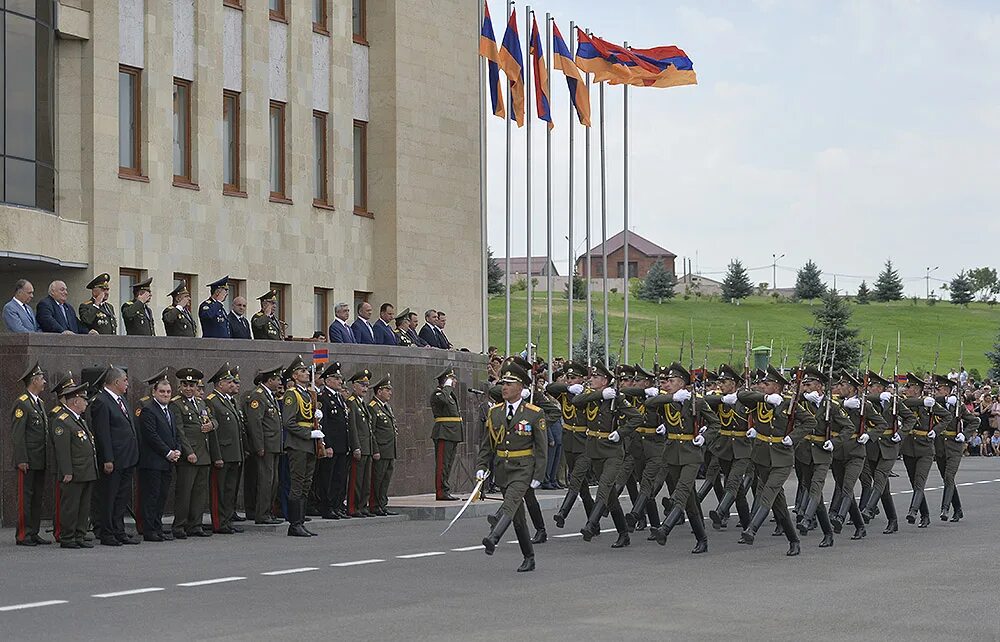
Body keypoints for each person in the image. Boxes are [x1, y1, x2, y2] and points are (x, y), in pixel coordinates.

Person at [736, 366, 816, 556]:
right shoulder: (760, 401)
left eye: (767, 384)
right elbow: (742, 396)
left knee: (768, 491)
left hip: (782, 457)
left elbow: (810, 422)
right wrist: (764, 398)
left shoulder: (790, 403)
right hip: (762, 455)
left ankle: (752, 529)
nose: (762, 386)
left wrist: (794, 437)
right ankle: (794, 541)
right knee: (778, 504)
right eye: (762, 383)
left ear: (778, 386)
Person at [475, 361, 547, 572]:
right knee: (518, 518)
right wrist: (481, 465)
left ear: (521, 387)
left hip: (523, 467)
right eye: (503, 383)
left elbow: (542, 448)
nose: (504, 387)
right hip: (502, 468)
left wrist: (539, 474)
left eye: (509, 383)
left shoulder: (534, 413)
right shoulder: (495, 412)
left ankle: (493, 537)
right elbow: (487, 443)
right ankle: (529, 557)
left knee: (512, 500)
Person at [646, 363, 719, 553]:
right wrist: (670, 397)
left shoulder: (696, 401)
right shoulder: (667, 399)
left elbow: (715, 424)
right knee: (689, 500)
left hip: (691, 453)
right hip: (672, 453)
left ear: (682, 383)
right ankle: (702, 539)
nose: (666, 384)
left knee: (682, 490)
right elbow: (649, 404)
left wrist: (704, 437)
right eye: (667, 381)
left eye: (671, 381)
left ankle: (665, 528)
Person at [859, 372, 916, 534]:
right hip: (872, 447)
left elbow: (910, 418)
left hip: (889, 446)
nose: (871, 389)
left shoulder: (894, 402)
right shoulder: (867, 402)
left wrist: (902, 432)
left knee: (880, 477)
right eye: (870, 386)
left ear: (882, 388)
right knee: (884, 488)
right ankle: (893, 520)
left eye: (875, 386)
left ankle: (869, 509)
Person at [701, 364, 755, 533]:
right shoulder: (720, 399)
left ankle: (720, 510)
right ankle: (748, 528)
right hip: (724, 448)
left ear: (734, 383)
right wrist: (723, 399)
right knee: (738, 492)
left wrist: (740, 396)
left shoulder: (745, 399)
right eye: (720, 381)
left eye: (724, 382)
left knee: (733, 481)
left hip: (742, 449)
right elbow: (703, 401)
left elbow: (760, 399)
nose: (720, 385)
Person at [90, 366, 140, 546]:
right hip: (114, 459)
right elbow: (103, 433)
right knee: (109, 497)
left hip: (128, 457)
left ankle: (119, 530)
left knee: (121, 497)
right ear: (116, 381)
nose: (127, 383)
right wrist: (108, 458)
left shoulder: (122, 400)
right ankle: (107, 532)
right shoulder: (102, 401)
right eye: (125, 380)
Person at [549, 361, 598, 529]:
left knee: (575, 478)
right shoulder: (565, 393)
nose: (569, 380)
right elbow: (549, 388)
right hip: (569, 442)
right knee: (583, 487)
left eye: (573, 378)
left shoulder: (590, 394)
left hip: (585, 443)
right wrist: (567, 389)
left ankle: (563, 512)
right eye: (567, 377)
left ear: (582, 379)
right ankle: (594, 522)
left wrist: (582, 392)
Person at [170, 368, 217, 538]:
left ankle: (195, 525)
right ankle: (179, 526)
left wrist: (211, 425)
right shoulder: (176, 404)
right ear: (180, 386)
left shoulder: (201, 403)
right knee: (184, 493)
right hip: (189, 455)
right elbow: (179, 431)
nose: (188, 388)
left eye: (192, 385)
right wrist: (188, 452)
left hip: (204, 453)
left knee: (199, 493)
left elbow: (213, 420)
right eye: (185, 385)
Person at [51, 381, 97, 549]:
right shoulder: (63, 420)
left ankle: (79, 535)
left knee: (83, 507)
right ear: (75, 401)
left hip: (86, 471)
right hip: (74, 473)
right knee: (71, 507)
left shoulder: (78, 420)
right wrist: (67, 472)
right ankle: (68, 537)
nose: (86, 402)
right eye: (84, 399)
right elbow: (62, 450)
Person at [900, 373, 950, 528]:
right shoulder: (908, 401)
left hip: (925, 448)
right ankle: (926, 515)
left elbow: (947, 417)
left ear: (916, 389)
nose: (906, 389)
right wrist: (923, 401)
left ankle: (913, 511)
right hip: (909, 447)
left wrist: (936, 430)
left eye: (909, 387)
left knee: (919, 482)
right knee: (913, 483)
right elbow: (905, 402)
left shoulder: (930, 404)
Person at [136, 370, 181, 542]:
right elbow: (151, 436)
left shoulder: (169, 410)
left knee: (162, 497)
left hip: (167, 462)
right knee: (151, 497)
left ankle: (158, 527)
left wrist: (177, 450)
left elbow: (174, 434)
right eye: (162, 392)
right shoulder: (148, 410)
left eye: (168, 392)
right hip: (153, 462)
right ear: (154, 392)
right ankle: (149, 530)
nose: (165, 394)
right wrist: (168, 452)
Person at [281, 356, 323, 537]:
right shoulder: (292, 394)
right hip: (298, 444)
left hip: (309, 445)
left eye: (307, 371)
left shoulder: (307, 393)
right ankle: (294, 524)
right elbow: (288, 422)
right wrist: (308, 433)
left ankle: (301, 521)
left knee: (306, 485)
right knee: (297, 485)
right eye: (303, 371)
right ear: (295, 376)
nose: (307, 373)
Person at [11, 362, 50, 546]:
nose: (44, 382)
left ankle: (33, 531)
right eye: (42, 379)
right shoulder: (22, 403)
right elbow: (18, 435)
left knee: (37, 497)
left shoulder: (39, 403)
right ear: (34, 381)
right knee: (25, 498)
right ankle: (23, 534)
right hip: (27, 460)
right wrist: (21, 459)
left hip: (40, 459)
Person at [205, 363, 245, 534]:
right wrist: (217, 455)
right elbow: (213, 432)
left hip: (234, 452)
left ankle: (227, 520)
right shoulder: (212, 401)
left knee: (230, 490)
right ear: (219, 384)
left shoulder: (231, 401)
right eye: (228, 381)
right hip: (222, 453)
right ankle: (219, 522)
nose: (232, 384)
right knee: (219, 491)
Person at [932, 374, 979, 522]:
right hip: (940, 446)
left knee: (949, 477)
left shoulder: (958, 407)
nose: (936, 391)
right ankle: (958, 509)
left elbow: (974, 421)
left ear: (947, 390)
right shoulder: (934, 404)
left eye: (939, 389)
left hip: (954, 446)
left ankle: (945, 508)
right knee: (947, 479)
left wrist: (964, 435)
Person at [244, 365, 284, 525]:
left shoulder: (269, 396)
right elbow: (255, 423)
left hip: (274, 445)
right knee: (266, 480)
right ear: (270, 380)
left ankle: (268, 511)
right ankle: (262, 513)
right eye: (278, 379)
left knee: (273, 480)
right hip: (266, 446)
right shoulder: (258, 396)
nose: (280, 382)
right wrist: (259, 446)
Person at [313, 363, 350, 519]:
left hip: (342, 445)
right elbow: (324, 423)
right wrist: (326, 445)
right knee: (327, 478)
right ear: (327, 380)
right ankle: (327, 507)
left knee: (339, 478)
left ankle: (336, 505)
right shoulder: (323, 398)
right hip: (331, 446)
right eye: (336, 378)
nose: (339, 381)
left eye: (340, 378)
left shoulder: (338, 397)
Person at [346, 369, 378, 516]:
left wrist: (373, 448)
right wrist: (356, 447)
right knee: (356, 480)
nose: (365, 388)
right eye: (362, 385)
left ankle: (362, 506)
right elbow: (352, 428)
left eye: (367, 385)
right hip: (359, 447)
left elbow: (369, 429)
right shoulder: (351, 403)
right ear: (354, 386)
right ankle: (353, 507)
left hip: (368, 447)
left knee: (366, 480)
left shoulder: (363, 404)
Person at [430, 367, 464, 501]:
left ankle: (445, 490)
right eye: (452, 379)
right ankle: (441, 492)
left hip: (452, 433)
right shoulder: (438, 394)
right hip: (444, 433)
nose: (454, 382)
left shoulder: (448, 394)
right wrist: (447, 386)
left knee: (448, 464)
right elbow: (443, 401)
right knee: (442, 464)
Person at [368, 375, 399, 516]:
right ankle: (374, 505)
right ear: (379, 391)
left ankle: (382, 504)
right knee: (377, 478)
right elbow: (371, 431)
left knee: (385, 479)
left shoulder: (386, 407)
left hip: (389, 449)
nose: (390, 393)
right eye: (387, 390)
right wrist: (375, 449)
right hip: (380, 449)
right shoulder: (373, 407)